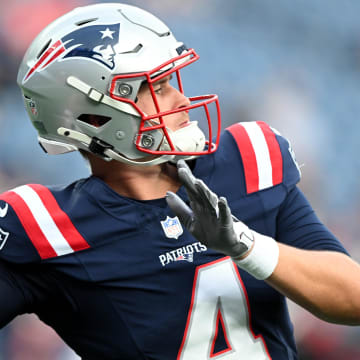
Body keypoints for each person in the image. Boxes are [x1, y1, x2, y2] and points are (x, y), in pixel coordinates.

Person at [0, 2, 359, 359]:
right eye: (155, 88)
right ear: (94, 118)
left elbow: (352, 298)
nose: (181, 99)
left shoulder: (245, 163)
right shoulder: (46, 229)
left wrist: (246, 247)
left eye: (169, 80)